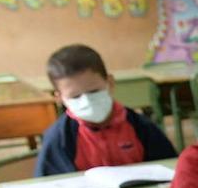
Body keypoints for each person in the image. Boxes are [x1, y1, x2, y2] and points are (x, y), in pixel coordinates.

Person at [36, 44, 176, 176]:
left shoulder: (141, 127)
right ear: (59, 98)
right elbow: (47, 186)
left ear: (110, 83)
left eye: (94, 91)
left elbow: (172, 171)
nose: (86, 101)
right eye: (76, 96)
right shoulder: (59, 139)